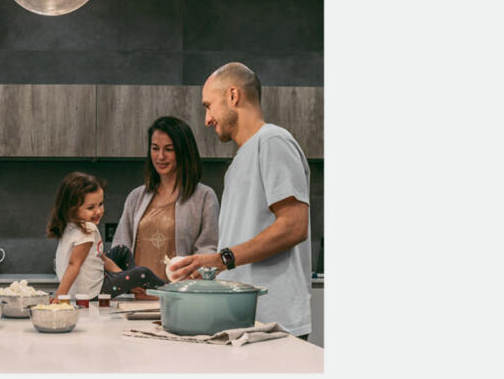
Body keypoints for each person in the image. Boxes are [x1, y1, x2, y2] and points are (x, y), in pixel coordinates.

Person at [166, 63, 313, 338]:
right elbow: (239, 246)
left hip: (273, 323)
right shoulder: (238, 163)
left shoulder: (272, 141)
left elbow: (294, 226)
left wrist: (222, 259)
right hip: (244, 320)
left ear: (233, 96)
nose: (207, 119)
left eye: (209, 106)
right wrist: (210, 268)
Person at [107, 116, 220, 285]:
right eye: (155, 148)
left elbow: (208, 251)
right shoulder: (136, 197)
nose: (160, 156)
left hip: (180, 296)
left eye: (169, 149)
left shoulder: (204, 197)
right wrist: (125, 280)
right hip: (137, 296)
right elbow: (120, 248)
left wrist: (193, 275)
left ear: (183, 151)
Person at [48, 172, 164, 302]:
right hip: (93, 292)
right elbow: (74, 264)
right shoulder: (87, 229)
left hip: (85, 287)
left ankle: (136, 288)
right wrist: (59, 296)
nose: (98, 211)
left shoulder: (69, 226)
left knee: (121, 251)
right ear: (71, 208)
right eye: (91, 207)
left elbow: (101, 258)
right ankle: (170, 290)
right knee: (142, 273)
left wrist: (124, 277)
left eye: (100, 204)